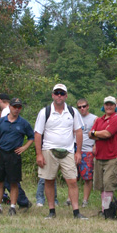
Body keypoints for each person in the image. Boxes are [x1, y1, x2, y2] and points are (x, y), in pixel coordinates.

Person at [34, 84, 87, 219]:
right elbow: (38, 134)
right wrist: (39, 154)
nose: (59, 95)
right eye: (56, 93)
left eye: (62, 93)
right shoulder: (44, 112)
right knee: (49, 180)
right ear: (52, 95)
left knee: (72, 181)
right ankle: (52, 211)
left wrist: (78, 152)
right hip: (48, 150)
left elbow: (78, 131)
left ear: (66, 96)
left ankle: (76, 212)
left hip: (68, 151)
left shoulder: (72, 111)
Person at [0, 98, 35, 215]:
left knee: (14, 182)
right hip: (1, 153)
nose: (16, 109)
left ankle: (13, 207)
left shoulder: (23, 123)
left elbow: (31, 136)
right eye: (15, 106)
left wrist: (24, 147)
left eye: (19, 107)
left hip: (14, 155)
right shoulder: (0, 122)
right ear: (10, 107)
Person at [89, 96, 117, 216]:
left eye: (111, 105)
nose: (109, 107)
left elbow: (107, 134)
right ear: (103, 106)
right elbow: (90, 134)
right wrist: (97, 134)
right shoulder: (99, 120)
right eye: (106, 104)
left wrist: (96, 133)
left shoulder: (116, 119)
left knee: (109, 184)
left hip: (114, 156)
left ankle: (107, 212)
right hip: (100, 156)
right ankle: (105, 209)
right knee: (102, 185)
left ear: (115, 107)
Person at [76, 98, 97, 207]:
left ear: (88, 106)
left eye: (84, 106)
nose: (82, 109)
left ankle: (85, 200)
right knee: (73, 175)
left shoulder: (94, 119)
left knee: (87, 177)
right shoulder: (75, 117)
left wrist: (95, 145)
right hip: (75, 148)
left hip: (88, 150)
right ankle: (71, 198)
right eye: (79, 107)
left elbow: (98, 134)